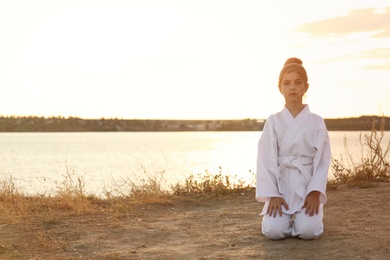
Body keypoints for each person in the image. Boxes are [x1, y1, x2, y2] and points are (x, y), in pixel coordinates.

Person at [256, 57, 331, 240]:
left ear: (306, 86)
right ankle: (283, 218)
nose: (292, 87)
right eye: (286, 83)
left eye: (298, 83)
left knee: (308, 232)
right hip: (281, 185)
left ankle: (307, 217)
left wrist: (315, 192)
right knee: (274, 232)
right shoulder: (273, 121)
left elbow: (322, 160)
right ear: (279, 87)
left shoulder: (316, 121)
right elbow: (265, 159)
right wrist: (272, 194)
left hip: (306, 184)